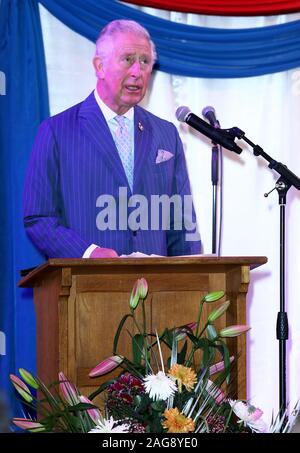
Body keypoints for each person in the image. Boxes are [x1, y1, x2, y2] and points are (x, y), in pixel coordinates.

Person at [23, 20, 200, 259]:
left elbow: (181, 218)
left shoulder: (166, 133)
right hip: (87, 286)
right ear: (100, 66)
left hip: (157, 289)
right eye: (128, 59)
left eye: (145, 62)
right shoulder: (56, 131)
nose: (137, 71)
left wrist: (190, 276)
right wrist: (89, 253)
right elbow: (39, 217)